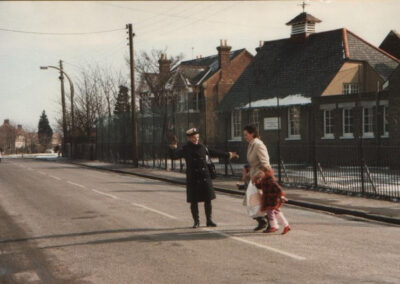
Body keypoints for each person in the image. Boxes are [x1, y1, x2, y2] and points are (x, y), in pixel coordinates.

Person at [169, 128, 239, 228]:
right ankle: (196, 221)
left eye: (197, 137)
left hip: (205, 177)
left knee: (208, 200)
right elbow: (174, 156)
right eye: (193, 138)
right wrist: (173, 147)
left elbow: (214, 152)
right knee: (194, 201)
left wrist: (228, 154)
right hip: (193, 178)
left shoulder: (203, 147)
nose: (196, 139)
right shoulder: (185, 149)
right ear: (189, 138)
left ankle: (209, 220)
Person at [243, 125, 269, 232]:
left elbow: (265, 163)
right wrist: (247, 172)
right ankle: (262, 221)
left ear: (252, 133)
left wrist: (258, 175)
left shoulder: (258, 145)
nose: (245, 137)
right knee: (252, 202)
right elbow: (253, 162)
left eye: (246, 134)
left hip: (259, 178)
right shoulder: (251, 144)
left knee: (259, 202)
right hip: (253, 177)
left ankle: (271, 221)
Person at [257, 170, 290, 234]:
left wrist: (281, 196)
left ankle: (274, 226)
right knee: (277, 213)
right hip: (270, 199)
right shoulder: (265, 180)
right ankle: (286, 225)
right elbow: (260, 186)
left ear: (266, 172)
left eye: (261, 173)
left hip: (272, 200)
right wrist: (256, 181)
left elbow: (279, 189)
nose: (259, 174)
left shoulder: (270, 180)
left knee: (270, 213)